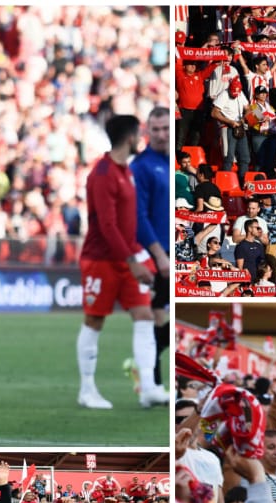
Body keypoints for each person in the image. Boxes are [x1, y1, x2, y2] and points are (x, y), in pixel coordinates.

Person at [77, 113, 164, 411]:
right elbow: (107, 225)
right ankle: (87, 390)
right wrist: (134, 261)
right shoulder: (102, 174)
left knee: (144, 316)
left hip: (127, 258)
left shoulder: (124, 170)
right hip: (102, 260)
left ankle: (150, 388)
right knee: (94, 320)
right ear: (130, 138)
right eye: (139, 134)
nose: (142, 139)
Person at [129, 106, 170, 390]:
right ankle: (152, 385)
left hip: (181, 255)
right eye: (155, 129)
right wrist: (159, 255)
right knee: (158, 317)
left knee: (164, 321)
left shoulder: (177, 161)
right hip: (158, 257)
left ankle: (143, 371)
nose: (161, 134)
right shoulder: (141, 167)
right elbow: (138, 216)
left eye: (166, 128)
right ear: (147, 131)